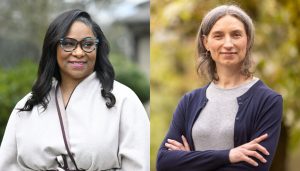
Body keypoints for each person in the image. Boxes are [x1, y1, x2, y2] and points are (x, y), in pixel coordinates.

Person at [0, 9, 149, 171]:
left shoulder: (124, 100)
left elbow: (138, 165)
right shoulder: (28, 104)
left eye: (88, 44)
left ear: (97, 48)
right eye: (68, 43)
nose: (79, 52)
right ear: (53, 47)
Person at [156, 5, 282, 171]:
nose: (228, 44)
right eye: (218, 36)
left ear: (248, 39)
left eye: (236, 35)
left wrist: (189, 161)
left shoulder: (268, 101)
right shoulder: (189, 101)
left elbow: (253, 168)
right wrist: (229, 155)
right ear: (206, 42)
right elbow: (164, 162)